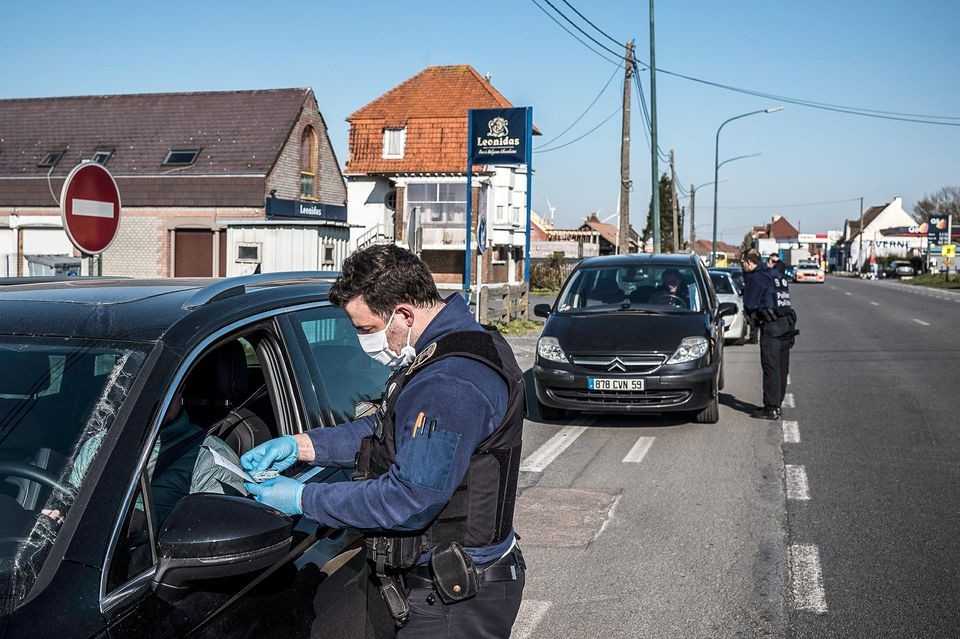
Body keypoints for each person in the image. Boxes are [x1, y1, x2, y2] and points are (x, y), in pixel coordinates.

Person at [240, 245, 526, 638]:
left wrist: (301, 499)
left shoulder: (448, 383)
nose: (362, 342)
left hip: (451, 599)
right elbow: (389, 428)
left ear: (404, 314)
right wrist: (301, 444)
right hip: (445, 584)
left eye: (365, 329)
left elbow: (407, 499)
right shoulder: (451, 347)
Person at [742, 250, 798, 420]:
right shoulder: (776, 275)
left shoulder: (758, 278)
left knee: (771, 367)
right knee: (782, 367)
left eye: (743, 263)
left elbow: (750, 304)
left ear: (749, 262)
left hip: (772, 326)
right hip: (787, 324)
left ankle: (771, 408)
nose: (743, 267)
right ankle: (777, 404)